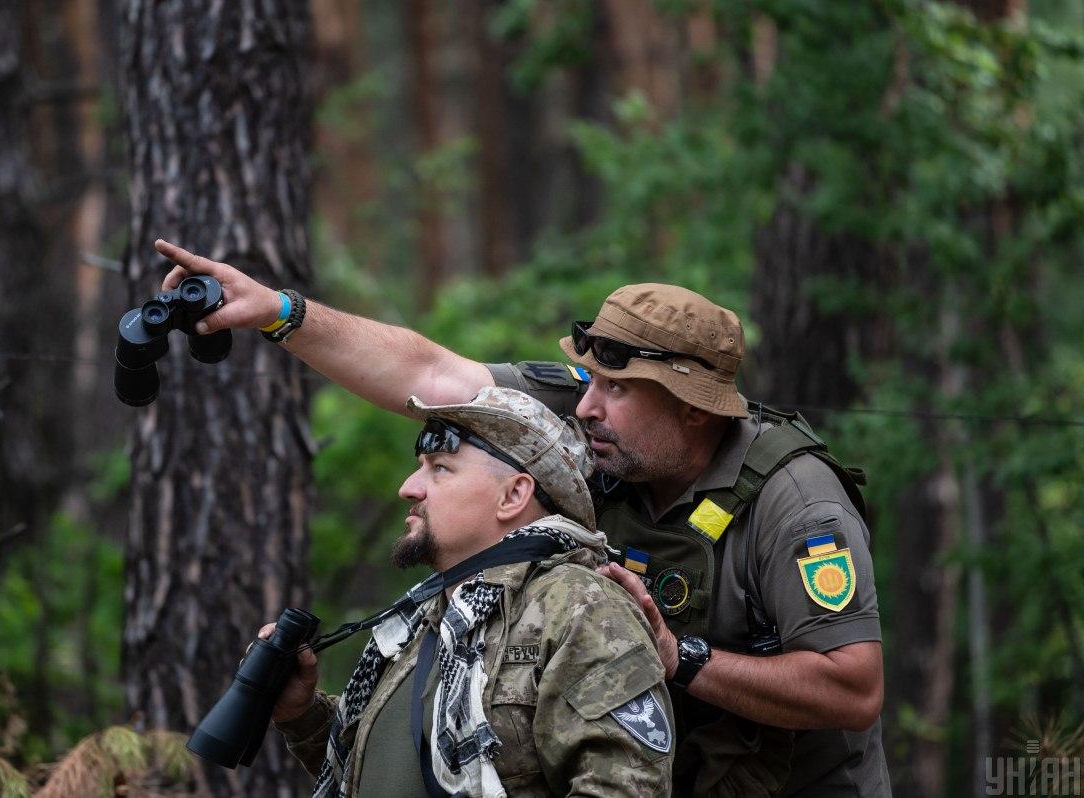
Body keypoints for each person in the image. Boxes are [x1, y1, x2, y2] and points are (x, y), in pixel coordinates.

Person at [158, 239, 890, 797]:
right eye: (591, 379)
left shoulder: (794, 503)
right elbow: (431, 380)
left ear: (694, 410)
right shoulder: (603, 434)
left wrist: (682, 660)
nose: (588, 406)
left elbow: (855, 689)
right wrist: (279, 311)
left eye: (618, 389)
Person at [263, 387, 674, 797]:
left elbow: (626, 787)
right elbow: (395, 770)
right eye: (420, 466)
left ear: (513, 495)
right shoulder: (427, 616)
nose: (410, 487)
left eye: (440, 467)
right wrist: (302, 714)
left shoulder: (578, 605)